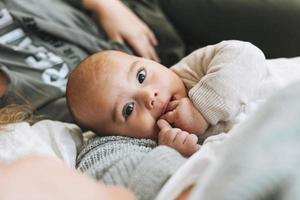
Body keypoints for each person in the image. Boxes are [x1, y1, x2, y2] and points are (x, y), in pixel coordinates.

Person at [67, 40, 300, 157]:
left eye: (141, 76)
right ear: (117, 136)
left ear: (149, 60)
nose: (149, 96)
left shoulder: (190, 71)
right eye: (128, 109)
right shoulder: (163, 143)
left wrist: (201, 108)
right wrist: (177, 153)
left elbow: (247, 54)